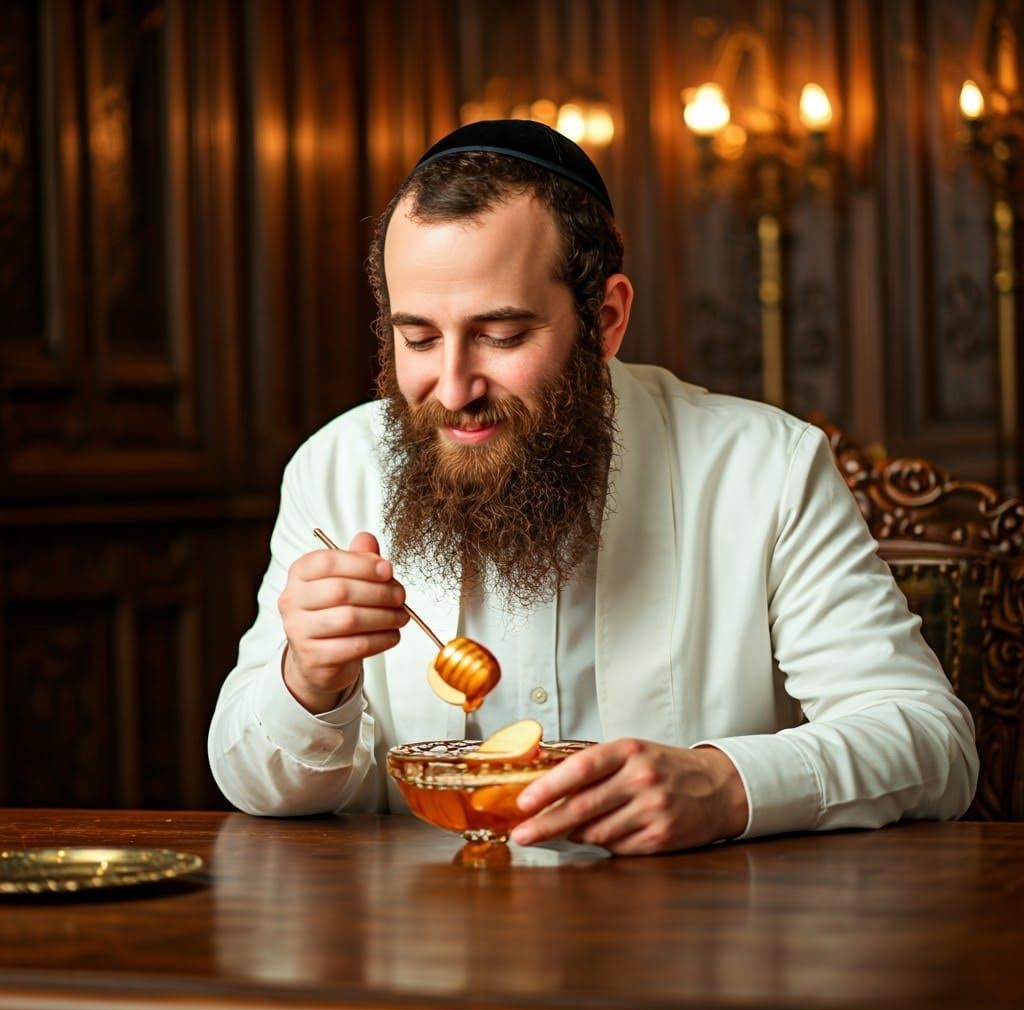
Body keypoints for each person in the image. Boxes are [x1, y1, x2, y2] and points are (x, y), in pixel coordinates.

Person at [208, 119, 978, 854]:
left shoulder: (768, 467)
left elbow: (930, 740)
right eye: (419, 337)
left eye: (502, 335)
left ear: (605, 319)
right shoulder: (333, 468)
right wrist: (310, 681)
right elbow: (250, 777)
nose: (452, 386)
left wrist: (724, 786)